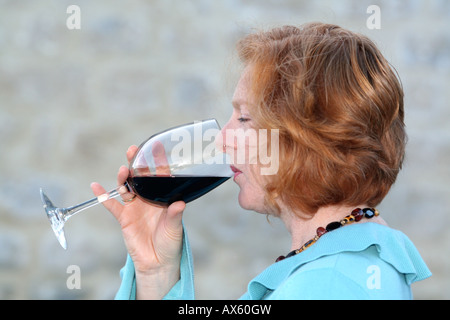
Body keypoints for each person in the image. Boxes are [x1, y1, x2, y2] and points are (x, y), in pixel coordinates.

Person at [91, 22, 431, 300]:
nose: (222, 137)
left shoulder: (327, 285)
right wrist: (155, 273)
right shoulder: (345, 265)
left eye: (243, 118)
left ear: (304, 139)